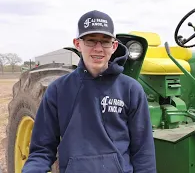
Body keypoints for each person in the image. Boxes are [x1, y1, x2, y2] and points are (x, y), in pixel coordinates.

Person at [22, 10, 157, 173]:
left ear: (114, 46)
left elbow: (144, 154)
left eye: (105, 41)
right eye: (91, 41)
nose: (98, 48)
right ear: (77, 44)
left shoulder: (131, 90)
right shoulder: (57, 91)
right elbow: (41, 151)